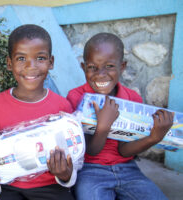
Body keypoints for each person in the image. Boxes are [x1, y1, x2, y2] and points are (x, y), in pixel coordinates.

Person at [0, 24, 77, 200]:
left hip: (48, 187)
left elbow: (71, 161)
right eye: (21, 58)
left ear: (51, 62)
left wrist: (65, 175)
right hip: (5, 185)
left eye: (40, 58)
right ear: (9, 63)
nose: (31, 67)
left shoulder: (62, 107)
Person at [67, 32, 174, 200]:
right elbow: (89, 152)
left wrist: (153, 138)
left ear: (122, 66)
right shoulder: (76, 98)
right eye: (92, 67)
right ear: (83, 67)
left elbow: (124, 151)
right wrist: (103, 127)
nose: (101, 74)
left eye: (109, 66)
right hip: (90, 170)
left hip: (128, 169)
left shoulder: (132, 99)